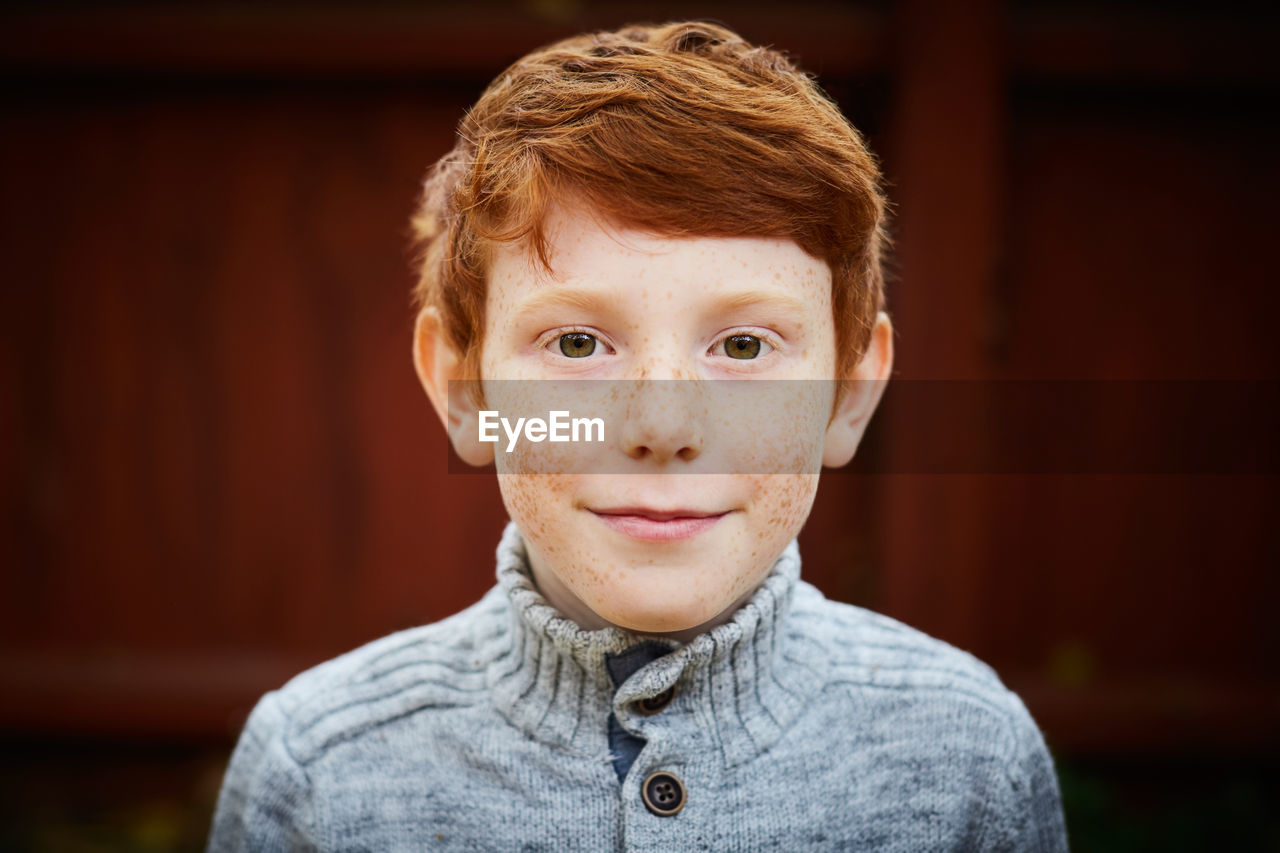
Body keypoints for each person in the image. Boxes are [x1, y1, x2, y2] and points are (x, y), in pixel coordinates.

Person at [208, 21, 1068, 851]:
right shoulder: (320, 770)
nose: (662, 428)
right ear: (464, 389)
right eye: (577, 344)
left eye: (742, 346)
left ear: (847, 393)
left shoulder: (967, 755)